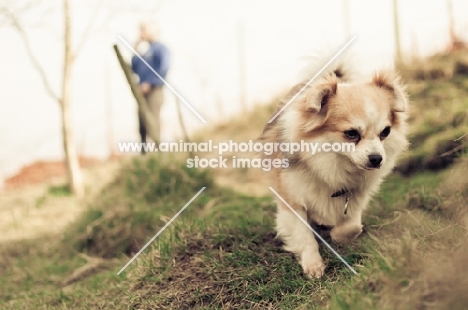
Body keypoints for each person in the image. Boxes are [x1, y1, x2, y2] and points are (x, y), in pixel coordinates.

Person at [131, 20, 170, 154]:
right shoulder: (143, 52)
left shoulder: (160, 48)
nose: (142, 33)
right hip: (142, 91)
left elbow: (163, 69)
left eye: (144, 30)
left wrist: (151, 83)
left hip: (155, 91)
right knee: (142, 122)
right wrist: (135, 48)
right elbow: (134, 68)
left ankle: (158, 150)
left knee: (152, 120)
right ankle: (144, 152)